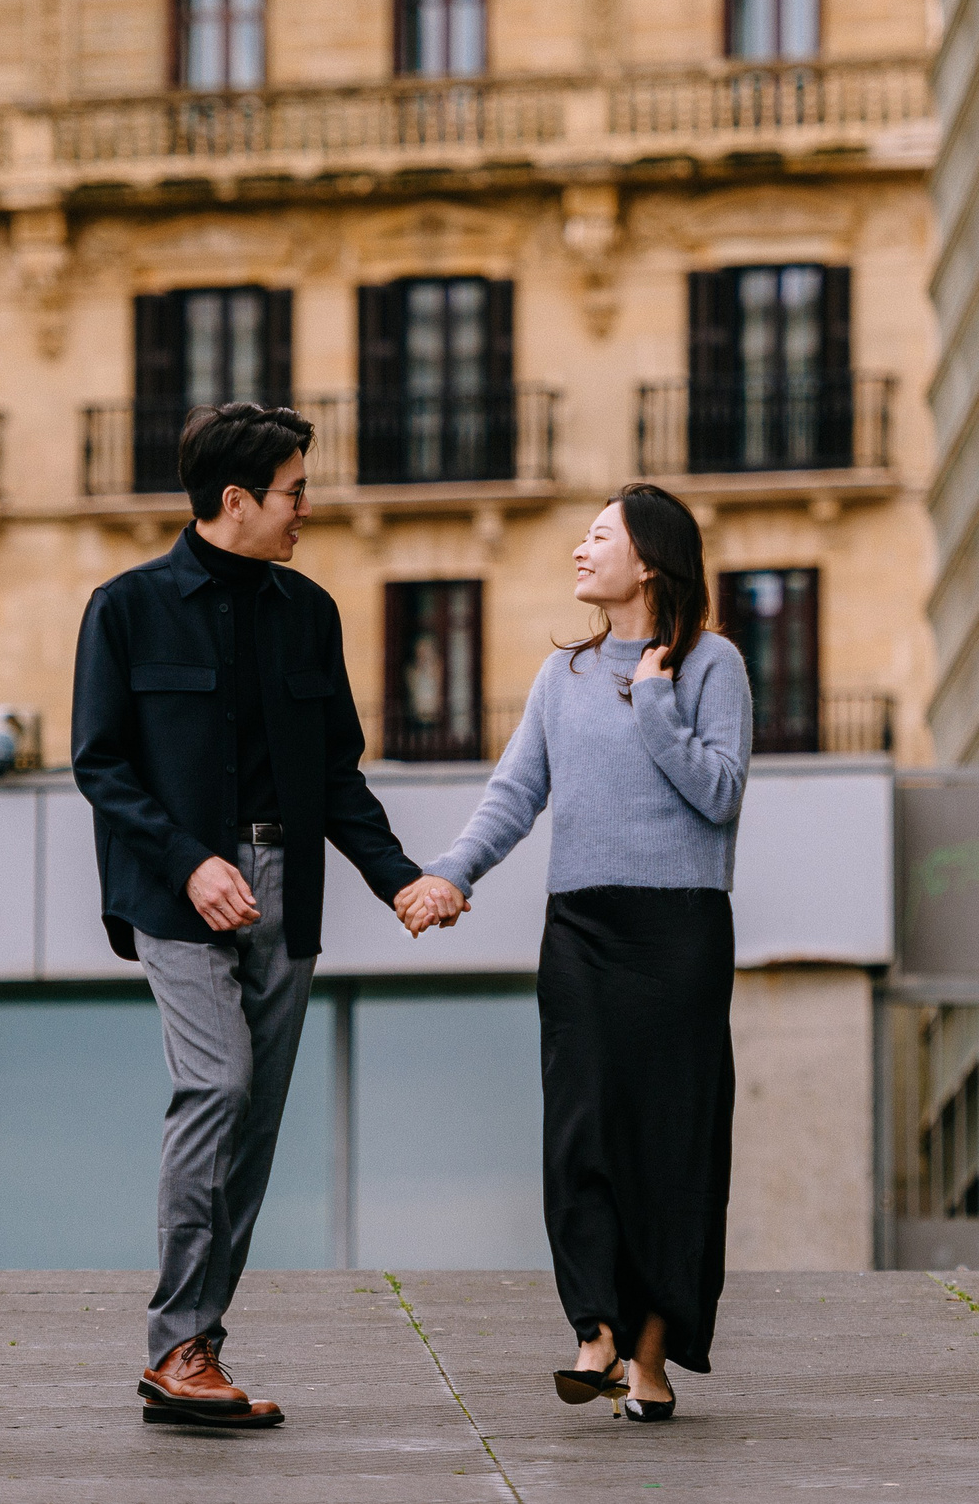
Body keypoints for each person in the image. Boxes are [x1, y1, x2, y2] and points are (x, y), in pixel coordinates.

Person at [72, 402, 463, 1430]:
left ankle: (196, 1346)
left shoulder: (310, 612)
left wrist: (399, 878)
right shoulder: (124, 607)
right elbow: (100, 766)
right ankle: (175, 1343)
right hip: (175, 889)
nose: (306, 510)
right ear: (235, 500)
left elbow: (336, 774)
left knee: (251, 1123)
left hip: (287, 886)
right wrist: (191, 861)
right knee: (218, 1080)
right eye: (294, 491)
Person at [397, 483, 749, 1423]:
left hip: (680, 934)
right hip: (583, 933)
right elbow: (515, 794)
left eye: (600, 537)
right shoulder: (564, 677)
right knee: (582, 1131)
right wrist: (450, 875)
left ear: (650, 560)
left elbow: (718, 794)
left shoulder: (713, 667)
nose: (580, 552)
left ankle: (650, 1353)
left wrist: (658, 701)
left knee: (671, 1144)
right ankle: (594, 1331)